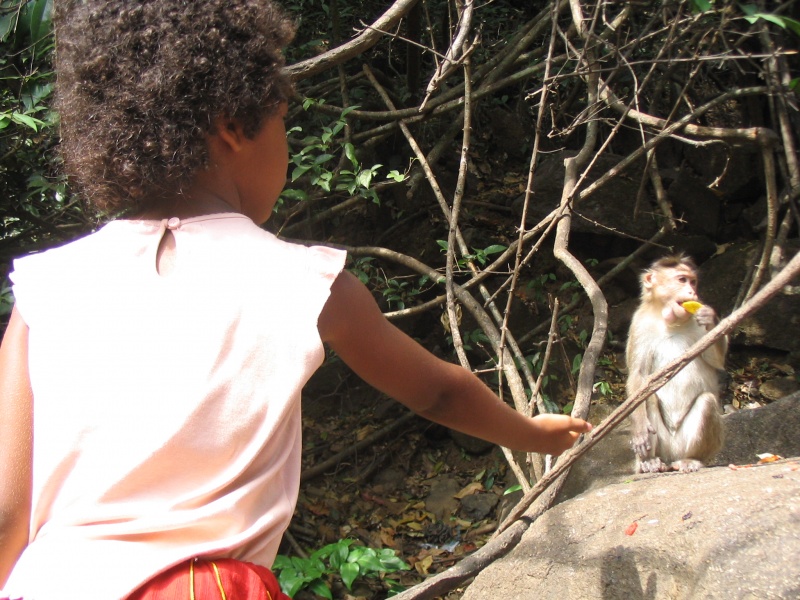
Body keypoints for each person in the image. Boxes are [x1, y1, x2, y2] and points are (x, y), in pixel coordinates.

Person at [0, 1, 592, 598]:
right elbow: (439, 392)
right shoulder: (308, 284)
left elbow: (7, 512)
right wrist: (534, 434)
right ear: (234, 125)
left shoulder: (44, 290)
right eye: (283, 120)